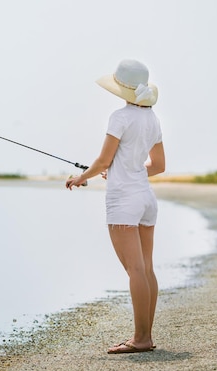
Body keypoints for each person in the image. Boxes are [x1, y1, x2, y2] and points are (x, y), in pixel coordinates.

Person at [66, 59, 165, 354]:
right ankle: (145, 335)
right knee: (146, 268)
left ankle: (141, 339)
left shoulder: (119, 117)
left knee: (134, 269)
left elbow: (103, 160)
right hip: (146, 199)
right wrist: (125, 170)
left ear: (122, 88)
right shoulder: (153, 119)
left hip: (123, 200)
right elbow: (158, 166)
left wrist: (82, 177)